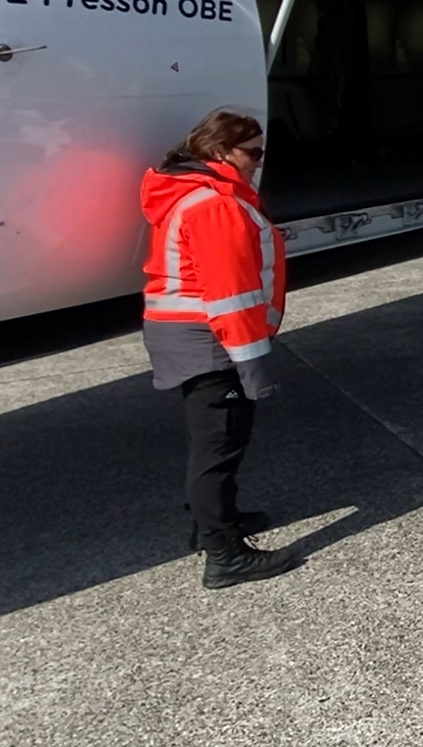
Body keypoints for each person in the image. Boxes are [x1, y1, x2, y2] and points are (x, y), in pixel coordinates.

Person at [140, 109, 299, 588]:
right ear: (220, 152)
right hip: (209, 340)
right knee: (219, 444)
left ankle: (212, 526)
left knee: (212, 441)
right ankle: (224, 555)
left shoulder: (197, 194)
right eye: (252, 153)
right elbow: (231, 297)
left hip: (188, 333)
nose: (257, 161)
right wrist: (255, 369)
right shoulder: (214, 204)